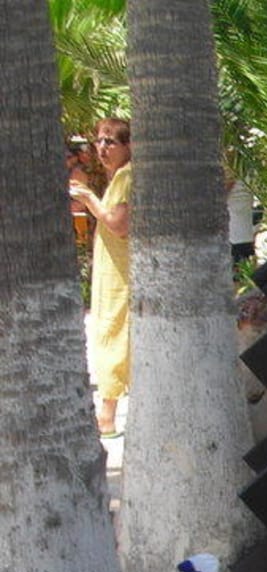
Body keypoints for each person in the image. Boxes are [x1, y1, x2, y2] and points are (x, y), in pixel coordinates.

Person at [69, 117, 133, 437]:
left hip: (120, 274)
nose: (102, 148)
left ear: (128, 146)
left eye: (111, 141)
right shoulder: (119, 177)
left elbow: (118, 224)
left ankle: (106, 416)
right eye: (99, 141)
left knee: (112, 336)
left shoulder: (127, 176)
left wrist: (88, 199)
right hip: (111, 271)